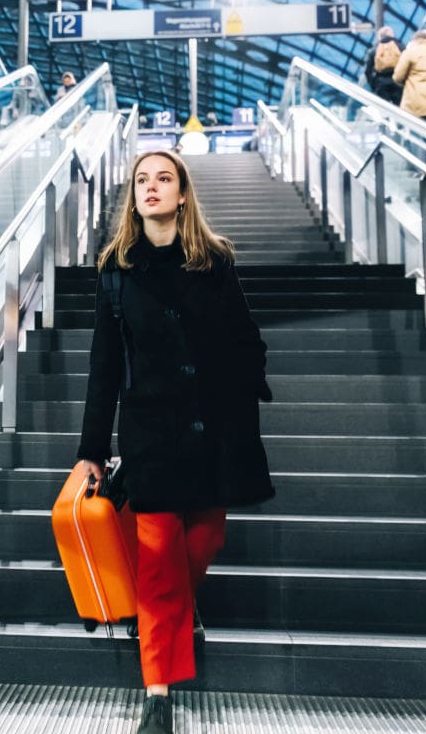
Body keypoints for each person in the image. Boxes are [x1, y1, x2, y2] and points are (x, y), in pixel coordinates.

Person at [74, 150, 275, 734]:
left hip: (212, 430)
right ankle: (157, 696)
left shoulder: (214, 261)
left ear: (183, 194)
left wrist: (241, 391)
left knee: (207, 538)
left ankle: (170, 616)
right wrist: (92, 446)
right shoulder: (116, 270)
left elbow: (246, 339)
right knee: (159, 561)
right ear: (134, 197)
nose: (152, 187)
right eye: (143, 180)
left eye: (164, 179)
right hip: (151, 434)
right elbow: (104, 364)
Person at [363, 25, 403, 105]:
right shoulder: (400, 46)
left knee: (384, 111)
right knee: (400, 112)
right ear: (392, 35)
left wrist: (373, 84)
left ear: (380, 37)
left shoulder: (374, 49)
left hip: (381, 83)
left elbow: (367, 71)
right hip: (398, 82)